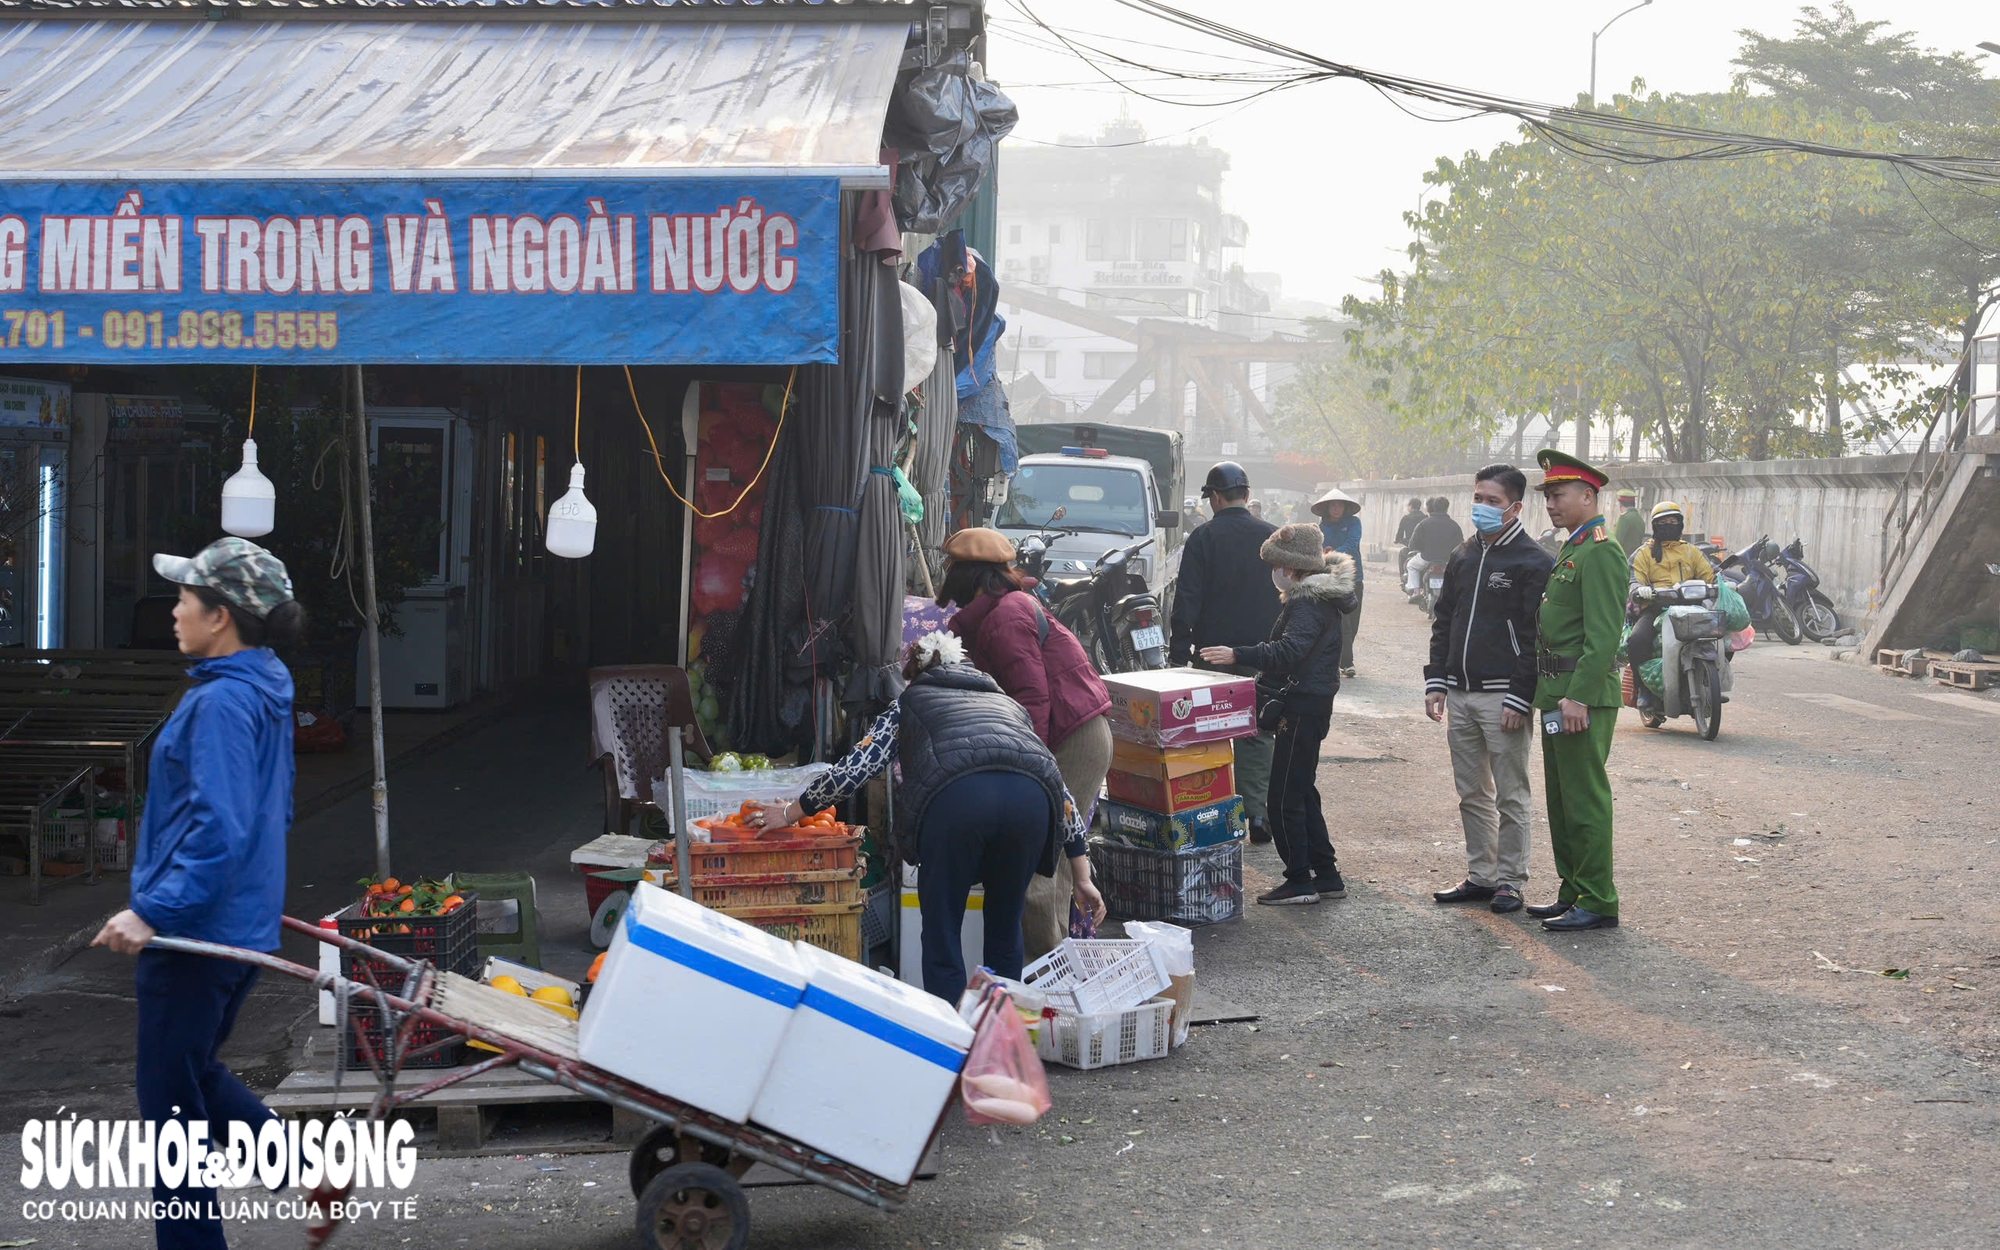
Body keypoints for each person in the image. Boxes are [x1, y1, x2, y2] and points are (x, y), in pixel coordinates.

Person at [90, 537, 308, 1250]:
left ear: (220, 616)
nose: (174, 609)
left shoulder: (220, 705)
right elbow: (268, 812)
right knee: (190, 1074)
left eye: (184, 597)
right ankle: (298, 1165)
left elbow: (220, 828)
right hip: (235, 928)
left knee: (171, 1115)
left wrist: (151, 910)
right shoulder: (264, 688)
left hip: (196, 932)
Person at [753, 632, 1105, 1002]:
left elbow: (856, 768)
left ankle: (950, 1026)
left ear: (917, 675)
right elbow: (1062, 795)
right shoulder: (1009, 706)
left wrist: (791, 812)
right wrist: (1082, 877)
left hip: (956, 802)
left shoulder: (910, 702)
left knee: (942, 928)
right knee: (1006, 925)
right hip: (1030, 804)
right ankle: (1001, 1028)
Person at [938, 526, 1113, 961]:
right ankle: (1055, 970)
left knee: (1038, 869)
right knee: (1047, 864)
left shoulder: (1006, 616)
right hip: (1066, 731)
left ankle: (1045, 978)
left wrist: (1028, 769)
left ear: (967, 576)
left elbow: (1033, 699)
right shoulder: (999, 613)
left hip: (1071, 737)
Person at [1200, 524, 1358, 905]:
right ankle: (1327, 875)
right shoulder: (1320, 598)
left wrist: (1238, 654)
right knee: (1303, 791)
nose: (1274, 572)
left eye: (1276, 565)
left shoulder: (1307, 603)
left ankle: (1299, 880)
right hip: (1312, 705)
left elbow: (1288, 652)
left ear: (1292, 567)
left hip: (1302, 708)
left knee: (1284, 797)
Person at [1423, 465, 1553, 915]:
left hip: (1504, 698)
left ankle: (1511, 881)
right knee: (1472, 792)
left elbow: (1536, 637)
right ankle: (1482, 875)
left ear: (1515, 508)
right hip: (1459, 692)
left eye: (1492, 501)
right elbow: (1444, 619)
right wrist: (1436, 680)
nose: (1482, 507)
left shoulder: (1533, 562)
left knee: (1510, 794)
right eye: (1478, 498)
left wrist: (1521, 695)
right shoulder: (1463, 554)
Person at [1526, 450, 1628, 932]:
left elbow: (1604, 635)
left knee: (1585, 800)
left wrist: (1580, 697)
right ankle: (1573, 891)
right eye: (1547, 496)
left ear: (1588, 496)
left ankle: (1599, 900)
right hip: (1557, 693)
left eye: (1558, 494)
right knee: (1562, 801)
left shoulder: (1601, 551)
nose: (1550, 504)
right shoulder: (1574, 547)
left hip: (1579, 697)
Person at [1169, 462, 1281, 844]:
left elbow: (1187, 598)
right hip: (1261, 656)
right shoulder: (1272, 537)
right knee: (1257, 732)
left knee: (1207, 733)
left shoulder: (1202, 538)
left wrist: (1179, 652)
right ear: (1246, 495)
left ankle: (1210, 816)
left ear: (1215, 498)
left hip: (1211, 658)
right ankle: (1258, 815)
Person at [1625, 501, 1718, 697]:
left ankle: (1709, 682)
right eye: (1663, 522)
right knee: (1637, 641)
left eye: (1673, 521)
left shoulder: (1692, 551)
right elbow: (1634, 579)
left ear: (1680, 524)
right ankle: (1643, 690)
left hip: (1691, 609)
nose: (1669, 525)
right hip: (1656, 610)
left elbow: (1710, 574)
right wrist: (1639, 590)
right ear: (1655, 526)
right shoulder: (1644, 553)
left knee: (1722, 634)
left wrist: (1724, 585)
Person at [1311, 487, 1365, 678]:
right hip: (1333, 577)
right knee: (1343, 622)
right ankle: (1346, 662)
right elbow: (1317, 547)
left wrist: (1332, 553)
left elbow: (1353, 542)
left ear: (1345, 507)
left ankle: (1343, 656)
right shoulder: (1321, 527)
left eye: (1339, 505)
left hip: (1354, 577)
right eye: (1333, 505)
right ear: (1327, 508)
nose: (1336, 508)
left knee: (1354, 620)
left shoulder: (1354, 523)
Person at [1394, 496, 1426, 582]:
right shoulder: (1426, 518)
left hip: (1411, 547)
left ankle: (1402, 579)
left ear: (1411, 506)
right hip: (1424, 549)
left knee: (1402, 553)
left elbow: (1399, 535)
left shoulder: (1406, 518)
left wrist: (1398, 540)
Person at [1614, 488, 1646, 558]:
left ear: (1620, 504)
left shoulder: (1624, 518)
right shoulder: (1640, 519)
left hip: (1623, 558)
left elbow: (1616, 542)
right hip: (1636, 557)